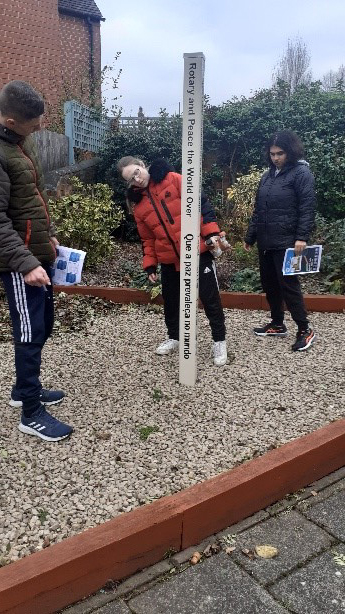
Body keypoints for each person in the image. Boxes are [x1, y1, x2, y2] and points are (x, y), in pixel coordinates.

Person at [0, 80, 73, 441]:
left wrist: (51, 232)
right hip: (17, 263)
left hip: (36, 253)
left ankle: (22, 390)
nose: (40, 126)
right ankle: (30, 412)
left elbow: (35, 198)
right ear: (11, 120)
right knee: (28, 334)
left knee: (42, 326)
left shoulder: (20, 143)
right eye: (33, 122)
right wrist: (26, 263)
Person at [117, 156, 229, 366]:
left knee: (209, 298)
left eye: (136, 172)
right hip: (168, 259)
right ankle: (175, 337)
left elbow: (201, 205)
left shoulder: (174, 179)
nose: (137, 179)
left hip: (197, 251)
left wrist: (211, 233)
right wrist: (150, 263)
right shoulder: (139, 206)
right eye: (131, 179)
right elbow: (147, 238)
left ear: (142, 164)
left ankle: (219, 340)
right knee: (171, 301)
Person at [244, 130, 316, 352]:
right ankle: (277, 323)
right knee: (270, 284)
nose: (275, 157)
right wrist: (251, 236)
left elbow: (307, 207)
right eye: (272, 153)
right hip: (266, 241)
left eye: (280, 153)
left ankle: (305, 329)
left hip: (288, 242)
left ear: (290, 152)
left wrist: (302, 237)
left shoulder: (302, 174)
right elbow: (259, 209)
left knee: (289, 286)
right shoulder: (268, 176)